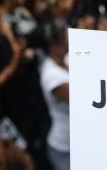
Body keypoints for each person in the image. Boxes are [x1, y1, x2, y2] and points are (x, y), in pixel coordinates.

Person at [38, 20, 70, 170]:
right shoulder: (51, 75)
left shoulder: (68, 59)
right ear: (53, 45)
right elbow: (84, 97)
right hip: (64, 147)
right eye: (65, 37)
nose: (69, 40)